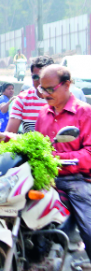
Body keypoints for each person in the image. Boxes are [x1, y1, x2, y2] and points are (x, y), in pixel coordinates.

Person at [34, 65, 91, 261]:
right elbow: (39, 146)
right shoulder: (43, 114)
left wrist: (59, 159)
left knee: (89, 227)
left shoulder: (85, 113)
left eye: (51, 89)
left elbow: (89, 154)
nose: (46, 94)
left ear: (67, 85)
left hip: (77, 179)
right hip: (47, 180)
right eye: (42, 89)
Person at [6, 56, 53, 134]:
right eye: (35, 77)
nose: (39, 81)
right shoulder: (22, 99)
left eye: (43, 77)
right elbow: (10, 134)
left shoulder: (59, 99)